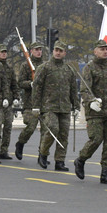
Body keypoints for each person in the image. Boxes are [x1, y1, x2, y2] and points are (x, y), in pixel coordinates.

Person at [74, 40, 107, 185]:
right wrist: (91, 102)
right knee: (96, 139)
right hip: (95, 111)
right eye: (101, 49)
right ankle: (81, 160)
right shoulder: (89, 68)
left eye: (106, 49)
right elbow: (85, 89)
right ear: (95, 51)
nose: (104, 51)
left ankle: (105, 173)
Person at [31, 41, 78, 171]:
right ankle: (43, 153)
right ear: (53, 51)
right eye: (56, 50)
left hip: (64, 107)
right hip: (49, 106)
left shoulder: (69, 70)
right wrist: (35, 106)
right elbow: (37, 87)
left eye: (60, 51)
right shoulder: (44, 67)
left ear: (64, 53)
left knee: (63, 135)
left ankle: (60, 161)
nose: (58, 52)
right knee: (52, 129)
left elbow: (73, 89)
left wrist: (76, 106)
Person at [14, 42, 43, 160]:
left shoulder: (44, 65)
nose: (39, 52)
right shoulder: (25, 65)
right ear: (31, 51)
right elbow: (20, 82)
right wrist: (30, 84)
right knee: (31, 126)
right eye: (36, 49)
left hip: (43, 102)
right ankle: (20, 143)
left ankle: (43, 154)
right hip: (30, 102)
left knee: (46, 131)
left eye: (40, 49)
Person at [0, 44, 18, 159]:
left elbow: (14, 84)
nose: (4, 54)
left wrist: (16, 97)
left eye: (5, 52)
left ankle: (4, 150)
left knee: (8, 126)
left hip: (7, 101)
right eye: (1, 52)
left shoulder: (9, 68)